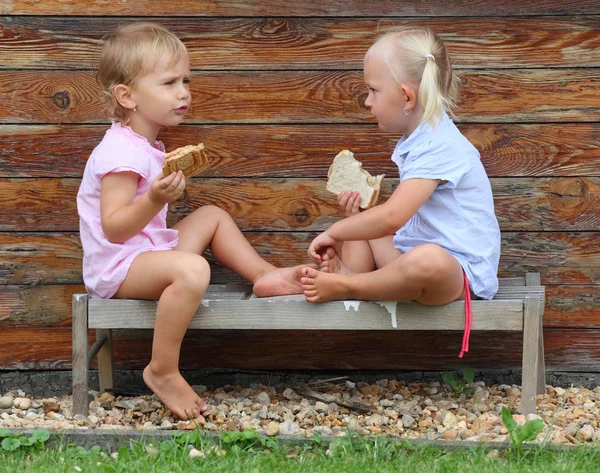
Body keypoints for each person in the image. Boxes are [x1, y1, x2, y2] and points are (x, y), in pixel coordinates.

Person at [77, 23, 309, 419]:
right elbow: (114, 228)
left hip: (147, 253)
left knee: (212, 216)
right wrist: (154, 198)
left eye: (186, 80)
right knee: (193, 270)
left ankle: (264, 275)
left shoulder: (145, 145)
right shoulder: (120, 152)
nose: (183, 91)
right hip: (117, 268)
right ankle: (162, 369)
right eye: (169, 82)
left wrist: (156, 198)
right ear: (127, 96)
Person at [300, 27, 500, 357]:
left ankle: (348, 286)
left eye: (373, 90)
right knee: (367, 220)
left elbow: (393, 217)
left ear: (407, 97)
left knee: (424, 256)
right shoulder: (419, 140)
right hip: (411, 256)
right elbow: (387, 222)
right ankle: (350, 276)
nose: (367, 101)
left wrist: (336, 230)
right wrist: (353, 222)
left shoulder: (440, 145)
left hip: (455, 275)